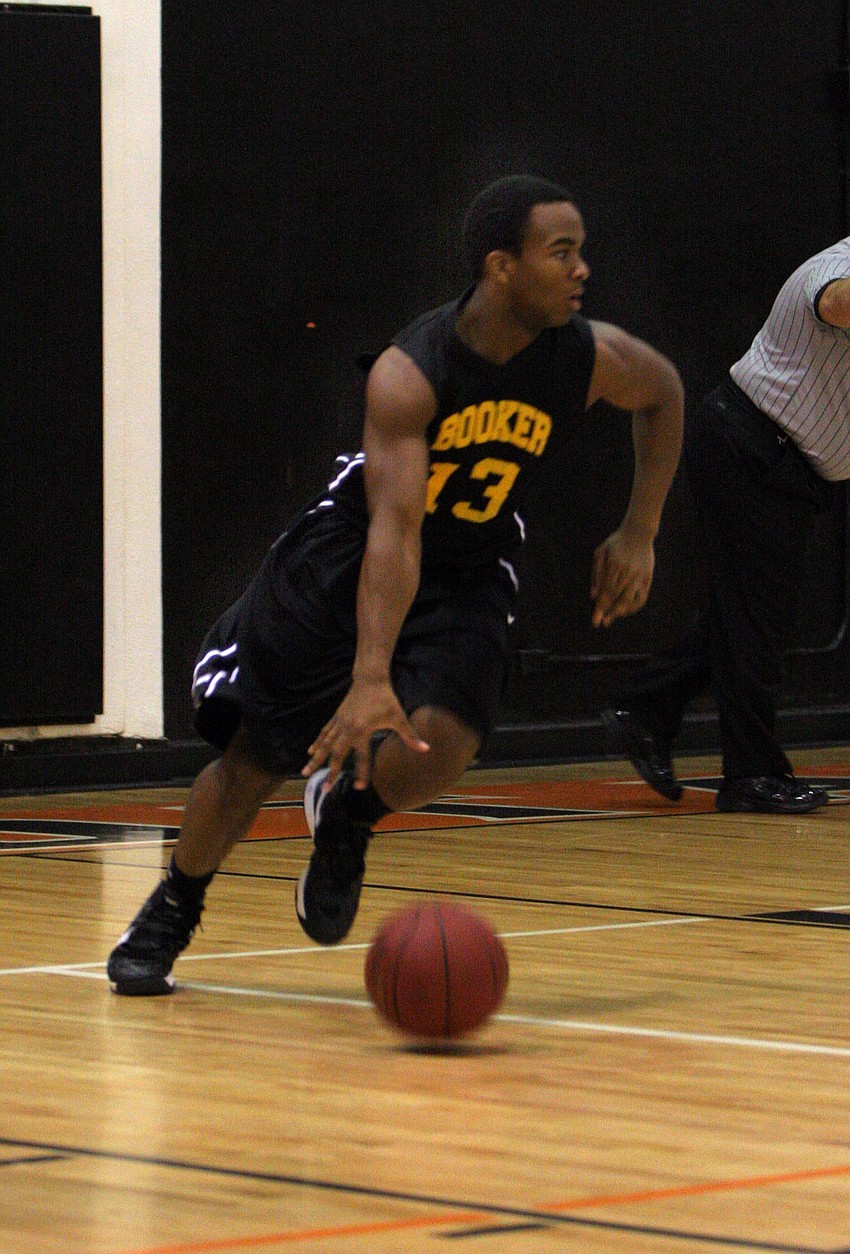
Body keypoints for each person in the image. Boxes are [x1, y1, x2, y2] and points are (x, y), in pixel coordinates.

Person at [107, 174, 684, 995]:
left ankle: (347, 814)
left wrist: (641, 530)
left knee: (445, 739)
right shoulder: (412, 372)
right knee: (256, 759)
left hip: (470, 563)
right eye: (562, 252)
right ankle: (173, 906)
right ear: (501, 267)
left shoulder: (589, 357)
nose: (582, 269)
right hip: (351, 556)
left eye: (581, 251)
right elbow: (395, 531)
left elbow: (664, 394)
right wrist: (370, 675)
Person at [603, 236, 850, 813]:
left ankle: (647, 707)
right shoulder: (840, 264)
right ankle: (751, 775)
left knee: (748, 616)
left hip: (783, 462)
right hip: (751, 444)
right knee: (754, 620)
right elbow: (837, 302)